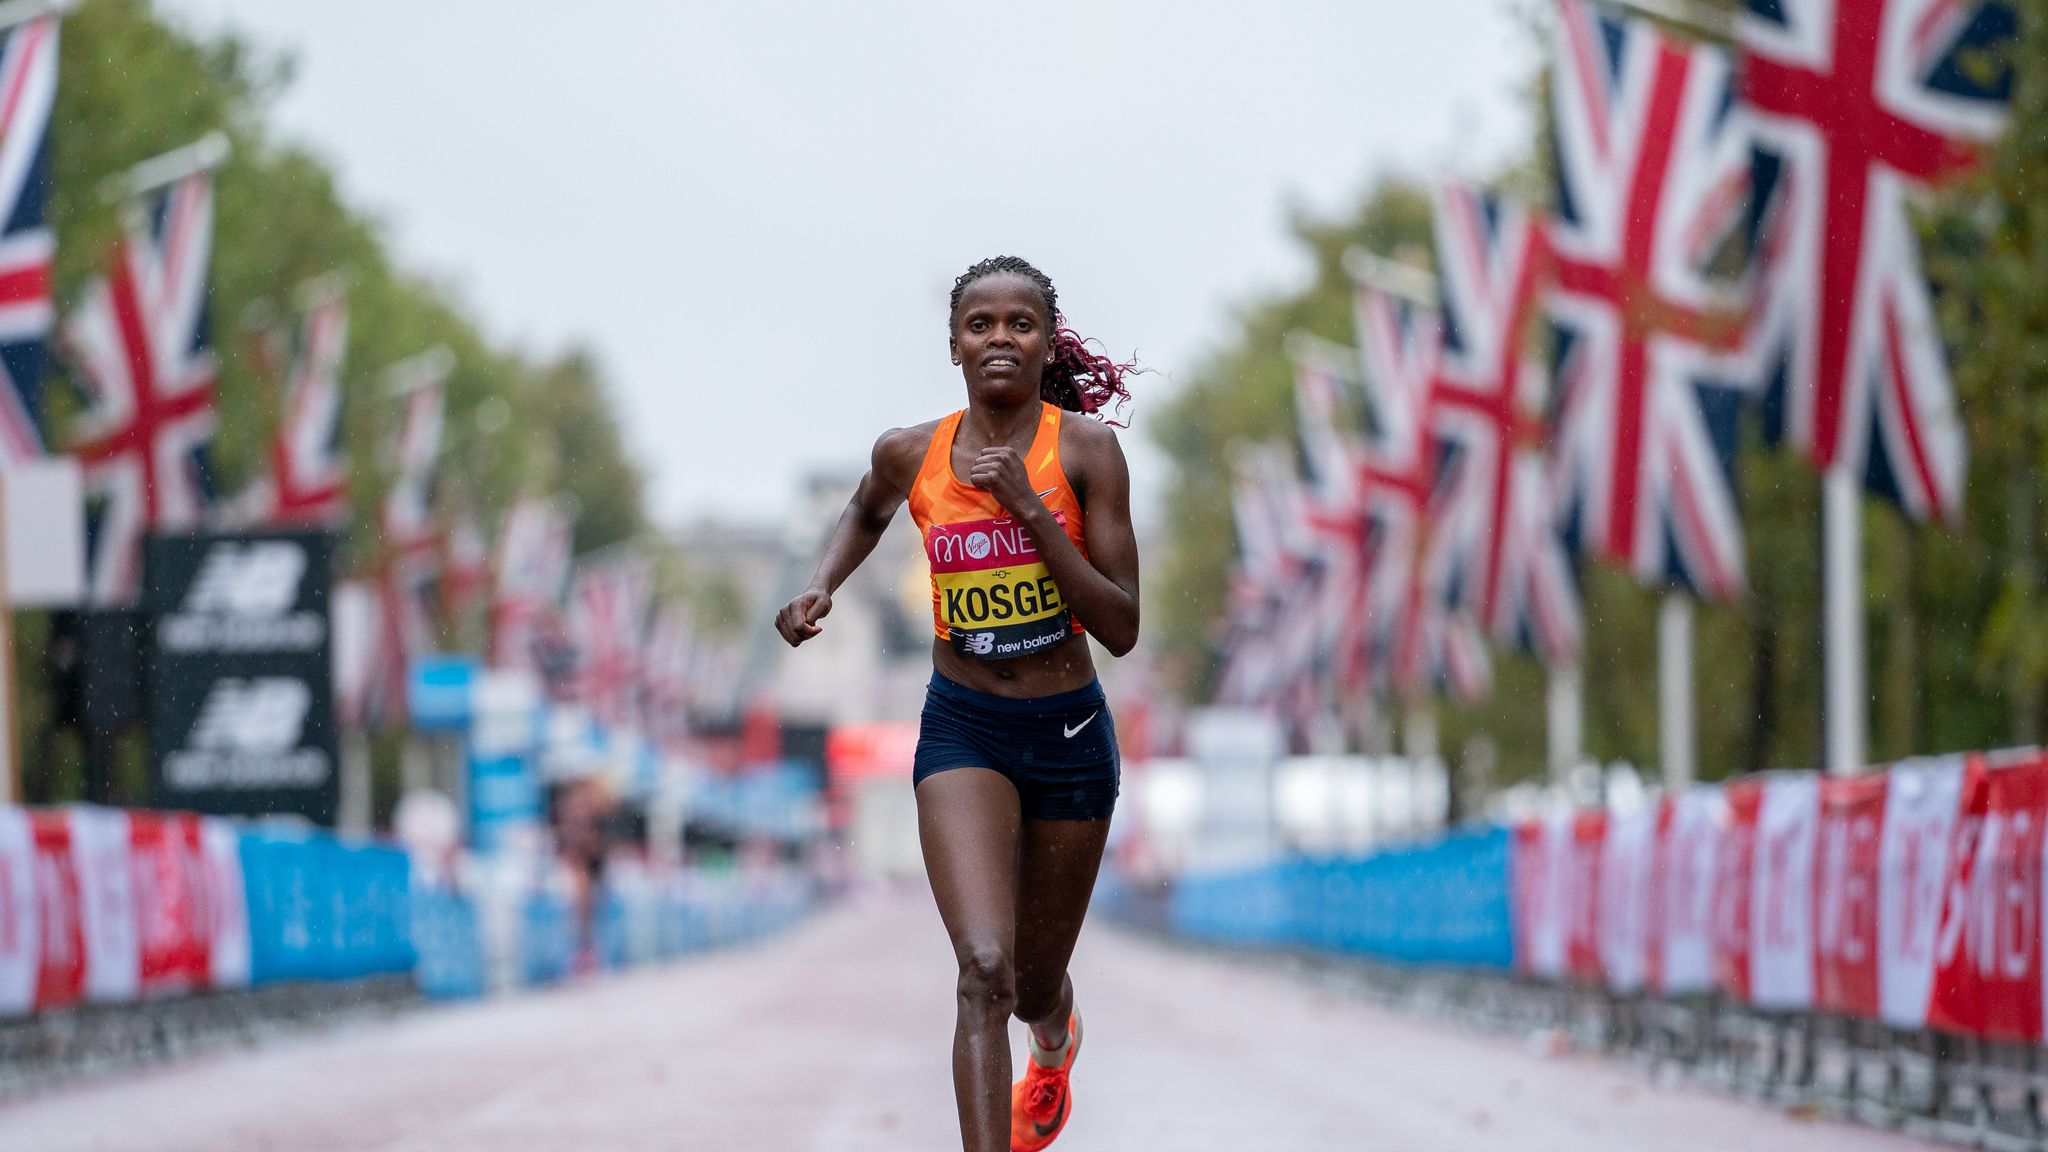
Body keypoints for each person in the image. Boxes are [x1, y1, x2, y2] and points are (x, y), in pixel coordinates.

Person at [777, 256, 1140, 1152]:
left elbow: (1123, 626)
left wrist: (1030, 509)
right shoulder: (914, 452)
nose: (1000, 339)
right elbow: (866, 511)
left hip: (1068, 734)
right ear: (954, 345)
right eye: (981, 326)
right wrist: (819, 585)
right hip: (964, 726)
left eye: (1021, 324)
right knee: (983, 971)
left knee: (1032, 983)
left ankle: (1053, 1042)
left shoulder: (1087, 453)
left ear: (1046, 341)